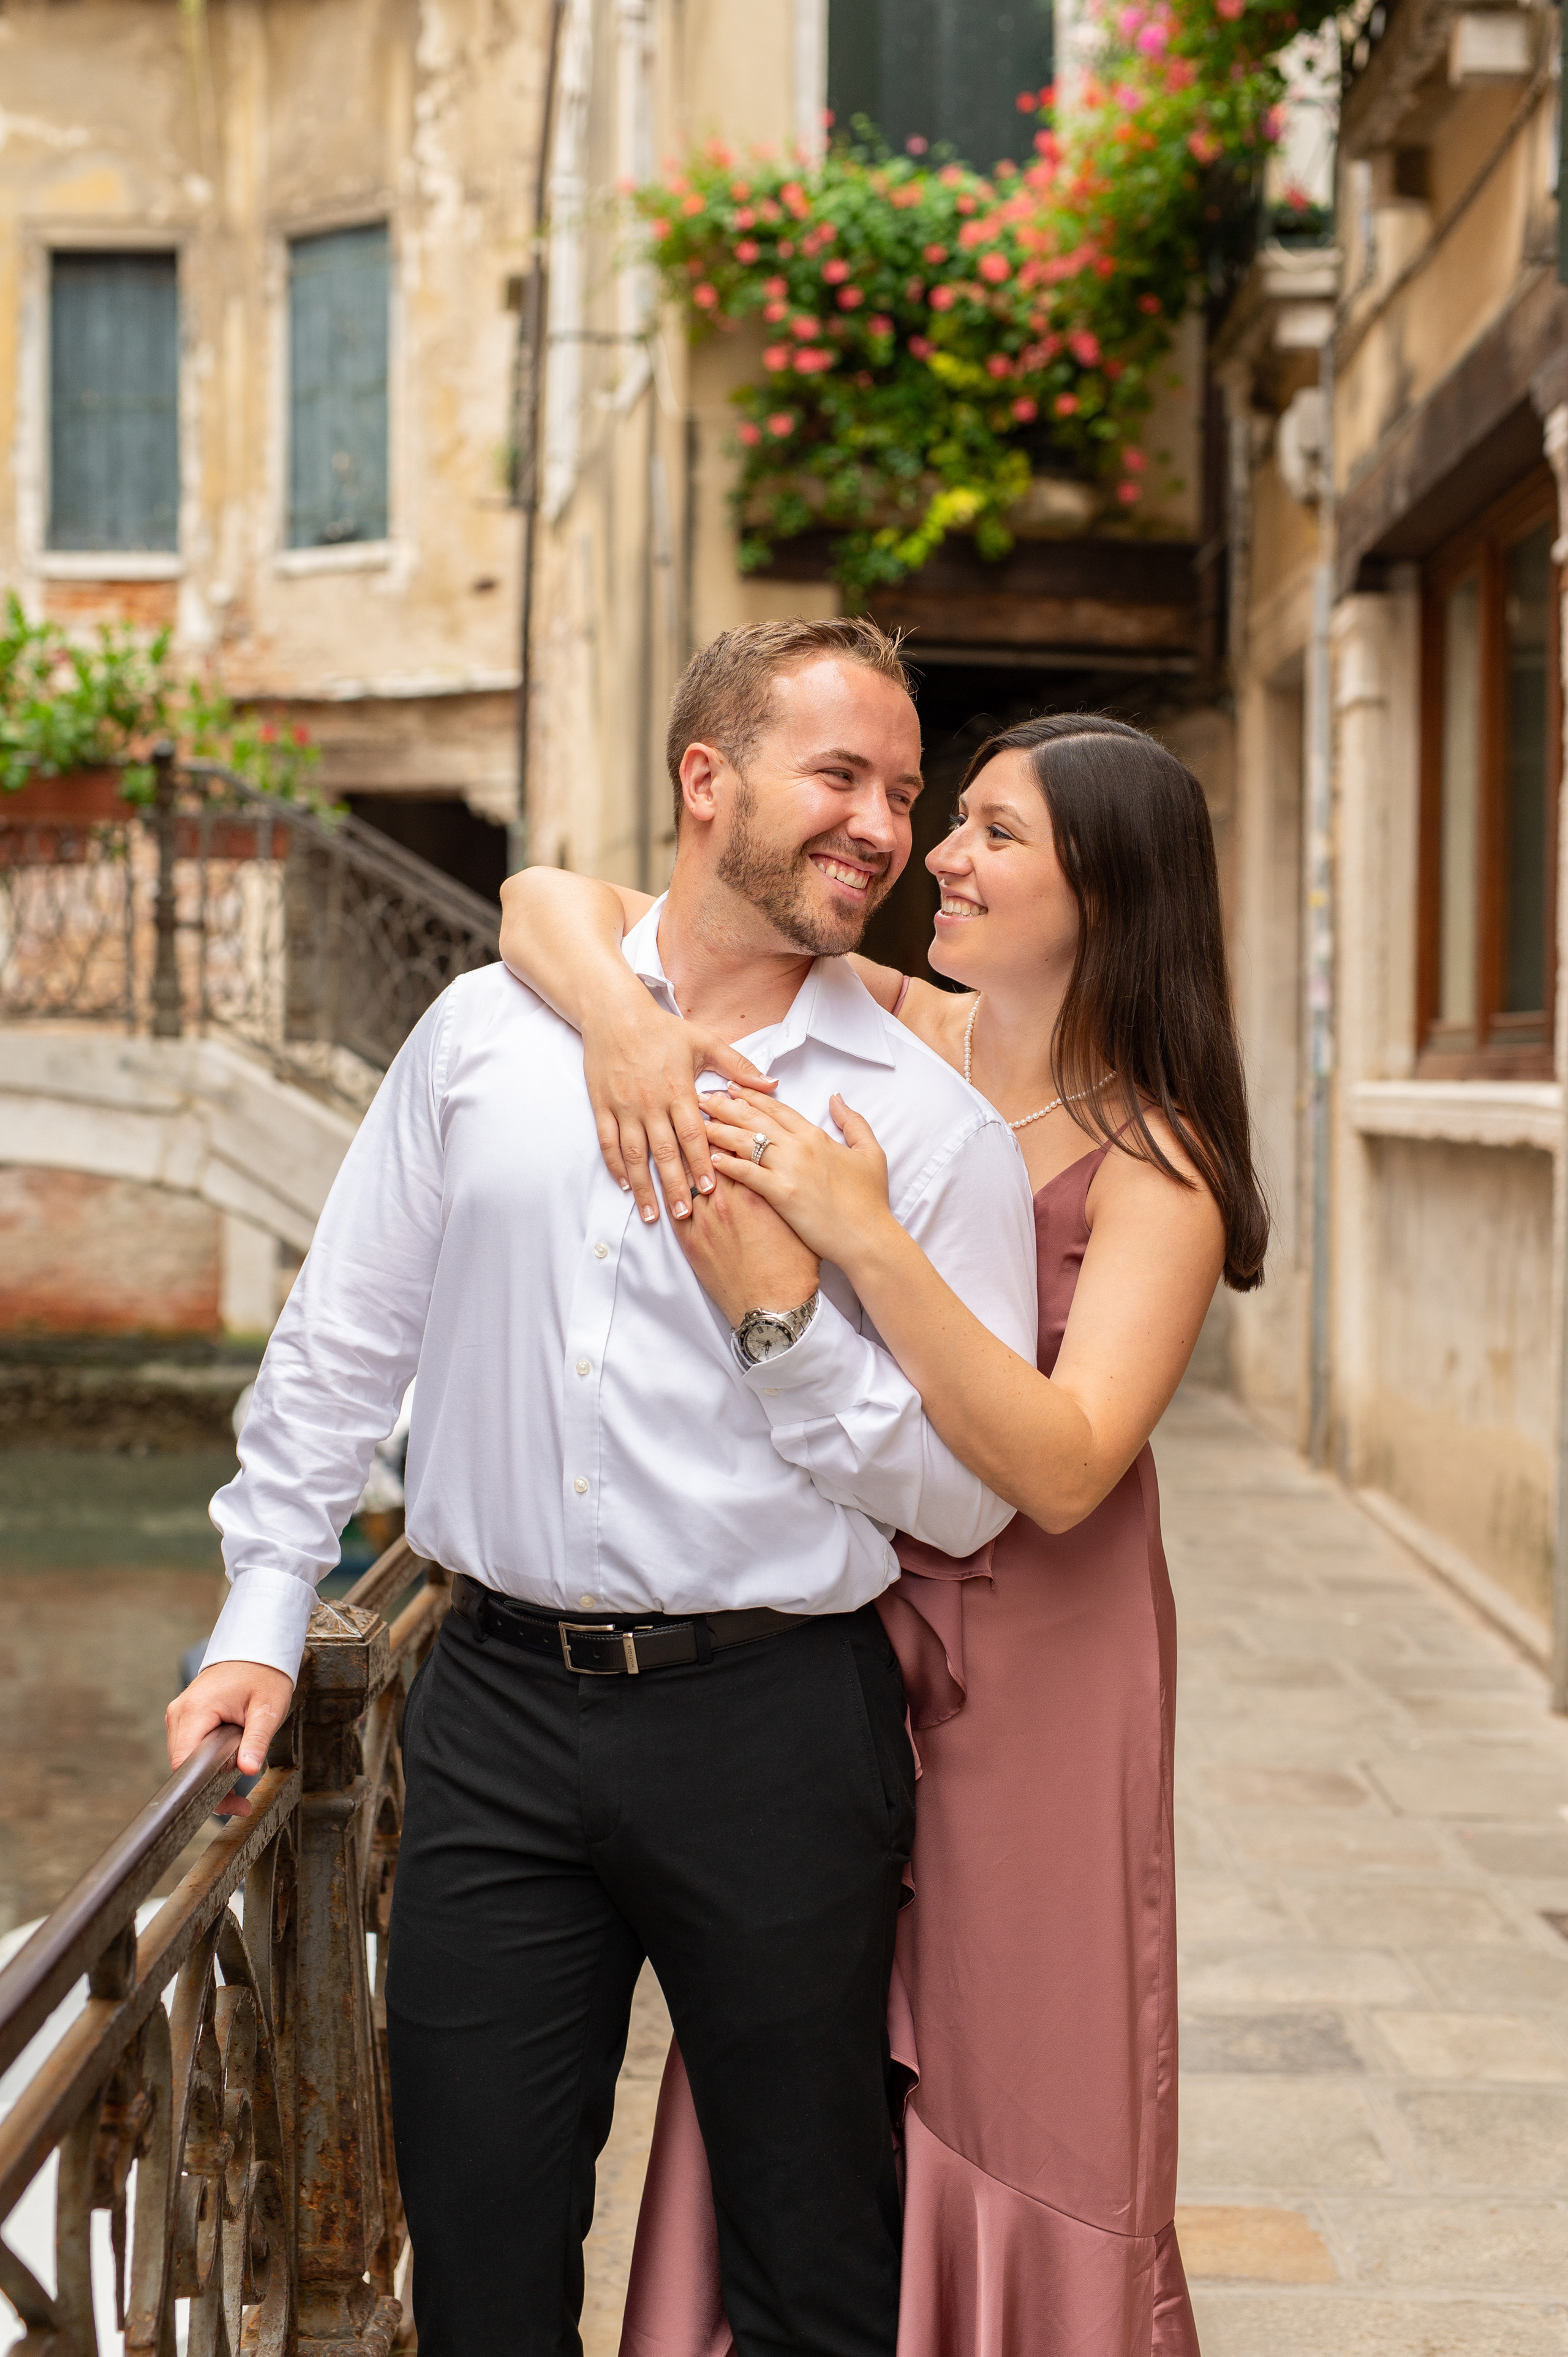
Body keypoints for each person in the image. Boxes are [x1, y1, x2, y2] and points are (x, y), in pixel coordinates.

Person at [165, 615, 1040, 2357]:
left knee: (811, 2247)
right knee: (480, 2241)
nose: (884, 823)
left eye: (904, 789)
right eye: (841, 776)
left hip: (779, 1728)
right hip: (486, 1710)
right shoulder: (488, 1037)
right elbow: (342, 1345)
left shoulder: (927, 1137)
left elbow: (967, 1500)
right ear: (706, 782)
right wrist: (263, 1619)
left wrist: (786, 1324)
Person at [498, 710, 1270, 2357]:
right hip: (842, 1616)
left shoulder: (1164, 1164)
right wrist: (625, 1033)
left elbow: (1066, 1466)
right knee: (789, 2017)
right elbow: (545, 900)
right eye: (956, 820)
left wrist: (861, 1234)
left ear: (1110, 897)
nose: (939, 857)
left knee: (1020, 2055)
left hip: (1048, 1673)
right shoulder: (903, 1026)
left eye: (993, 834)